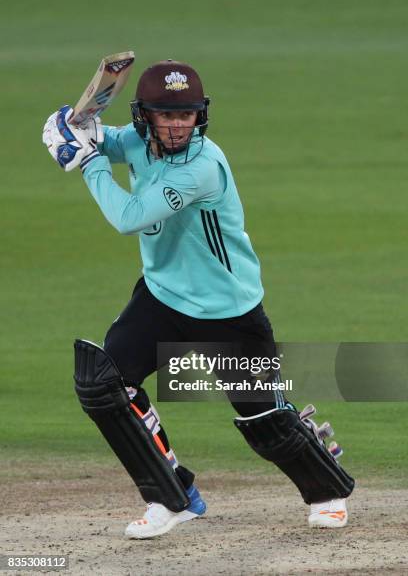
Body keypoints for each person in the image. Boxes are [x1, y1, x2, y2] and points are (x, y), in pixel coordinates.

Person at [42, 59, 354, 539]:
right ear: (146, 116)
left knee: (262, 418)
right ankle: (172, 496)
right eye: (165, 116)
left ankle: (326, 489)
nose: (176, 125)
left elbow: (128, 216)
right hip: (162, 297)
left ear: (199, 115)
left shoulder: (202, 167)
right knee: (104, 383)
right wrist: (72, 125)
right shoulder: (140, 141)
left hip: (226, 311)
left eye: (185, 115)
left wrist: (86, 161)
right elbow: (102, 135)